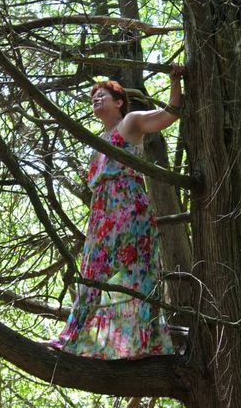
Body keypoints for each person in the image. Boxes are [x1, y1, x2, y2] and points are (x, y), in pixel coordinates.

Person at [49, 64, 185, 359]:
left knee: (137, 272)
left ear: (119, 101)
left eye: (102, 96)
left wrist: (175, 82)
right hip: (101, 215)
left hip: (128, 209)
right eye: (93, 98)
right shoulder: (97, 143)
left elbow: (169, 115)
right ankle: (74, 339)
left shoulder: (131, 122)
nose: (96, 100)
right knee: (93, 273)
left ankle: (143, 343)